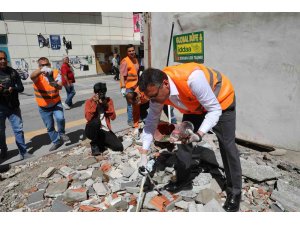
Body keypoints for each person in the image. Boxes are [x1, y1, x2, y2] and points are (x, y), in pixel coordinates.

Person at [138, 62, 242, 212]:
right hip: (194, 106)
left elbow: (214, 110)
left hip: (220, 101)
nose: (153, 101)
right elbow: (150, 123)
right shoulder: (156, 93)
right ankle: (184, 180)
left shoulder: (193, 79)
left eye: (154, 96)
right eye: (150, 98)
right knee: (183, 140)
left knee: (227, 145)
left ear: (165, 84)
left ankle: (235, 192)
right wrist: (144, 154)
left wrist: (199, 135)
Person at [30, 57, 70, 152]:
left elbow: (60, 86)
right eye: (42, 65)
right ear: (39, 66)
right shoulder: (37, 76)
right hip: (44, 107)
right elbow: (32, 76)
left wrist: (51, 79)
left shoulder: (55, 72)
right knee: (50, 127)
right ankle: (56, 142)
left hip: (56, 104)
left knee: (60, 118)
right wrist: (41, 71)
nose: (45, 67)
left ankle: (61, 133)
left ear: (50, 65)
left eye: (46, 64)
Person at [0, 50, 30, 160]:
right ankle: (3, 150)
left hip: (13, 107)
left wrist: (14, 89)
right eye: (0, 59)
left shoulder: (13, 72)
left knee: (18, 129)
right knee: (1, 132)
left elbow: (21, 87)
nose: (3, 61)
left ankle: (23, 151)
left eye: (4, 58)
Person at [84, 82, 123, 156]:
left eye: (103, 93)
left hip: (104, 129)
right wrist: (95, 104)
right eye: (99, 93)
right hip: (91, 129)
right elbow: (88, 118)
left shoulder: (109, 101)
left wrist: (106, 106)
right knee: (96, 122)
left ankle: (100, 142)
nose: (101, 95)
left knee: (118, 147)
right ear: (95, 93)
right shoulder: (89, 102)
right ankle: (94, 144)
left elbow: (113, 117)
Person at [119, 44, 139, 127]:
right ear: (127, 52)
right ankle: (130, 120)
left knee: (137, 103)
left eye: (132, 50)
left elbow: (136, 72)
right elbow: (122, 75)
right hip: (128, 87)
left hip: (135, 85)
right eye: (129, 51)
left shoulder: (136, 60)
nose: (131, 52)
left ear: (135, 51)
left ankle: (136, 118)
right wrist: (123, 87)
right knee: (130, 105)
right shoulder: (125, 61)